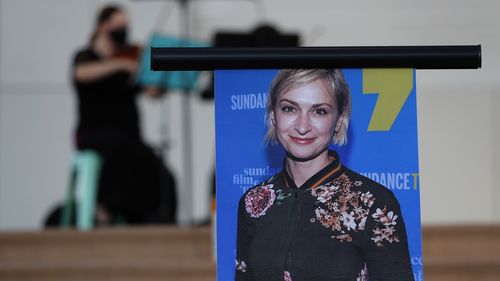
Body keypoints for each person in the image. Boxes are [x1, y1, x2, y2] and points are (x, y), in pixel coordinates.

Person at [235, 69, 414, 281]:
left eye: (319, 111)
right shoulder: (253, 202)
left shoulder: (375, 204)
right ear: (273, 115)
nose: (302, 126)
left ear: (339, 119)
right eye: (289, 109)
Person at [71, 5, 176, 224]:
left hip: (128, 138)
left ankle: (151, 218)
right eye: (118, 25)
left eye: (125, 26)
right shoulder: (86, 56)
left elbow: (150, 90)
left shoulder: (130, 57)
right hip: (95, 135)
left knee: (161, 173)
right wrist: (121, 64)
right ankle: (106, 210)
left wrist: (164, 79)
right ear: (102, 26)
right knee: (124, 157)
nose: (123, 30)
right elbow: (80, 73)